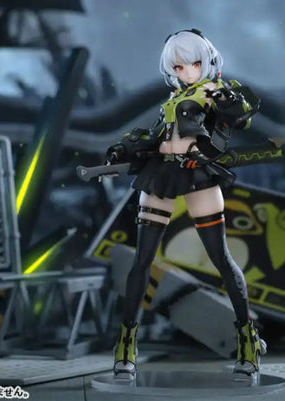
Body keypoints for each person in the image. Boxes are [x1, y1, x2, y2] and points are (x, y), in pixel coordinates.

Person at [107, 29, 266, 379]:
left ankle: (248, 339)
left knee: (220, 258)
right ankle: (126, 343)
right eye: (178, 67)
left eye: (193, 64)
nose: (187, 72)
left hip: (197, 174)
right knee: (142, 260)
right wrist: (124, 148)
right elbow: (155, 135)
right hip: (162, 173)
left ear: (206, 61)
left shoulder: (215, 90)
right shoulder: (173, 98)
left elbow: (241, 116)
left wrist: (227, 100)